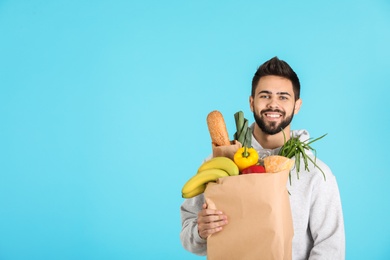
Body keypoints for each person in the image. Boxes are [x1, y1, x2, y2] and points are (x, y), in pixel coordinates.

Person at [180, 56, 345, 259]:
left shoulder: (316, 174)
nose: (273, 104)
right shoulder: (218, 165)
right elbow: (188, 238)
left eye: (283, 97)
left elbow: (331, 248)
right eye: (265, 96)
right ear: (252, 102)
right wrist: (200, 231)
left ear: (297, 105)